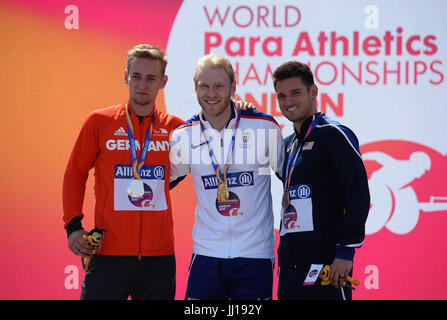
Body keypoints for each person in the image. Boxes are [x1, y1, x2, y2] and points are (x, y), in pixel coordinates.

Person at [63, 44, 185, 300]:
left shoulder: (178, 128)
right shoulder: (99, 121)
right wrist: (73, 226)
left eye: (151, 78)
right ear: (125, 76)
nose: (142, 84)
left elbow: (194, 161)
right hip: (108, 254)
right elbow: (75, 173)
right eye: (136, 76)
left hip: (158, 259)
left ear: (163, 82)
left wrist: (239, 107)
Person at [169, 53, 284, 300]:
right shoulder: (183, 136)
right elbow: (160, 182)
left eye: (219, 86)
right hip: (207, 253)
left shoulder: (264, 127)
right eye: (204, 86)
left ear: (233, 87)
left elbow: (292, 176)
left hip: (255, 254)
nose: (211, 93)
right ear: (195, 88)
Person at [272, 61, 370, 300]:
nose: (288, 101)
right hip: (290, 267)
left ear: (313, 92)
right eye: (281, 96)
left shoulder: (334, 134)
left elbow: (358, 195)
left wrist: (346, 253)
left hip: (327, 265)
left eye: (295, 93)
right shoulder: (286, 145)